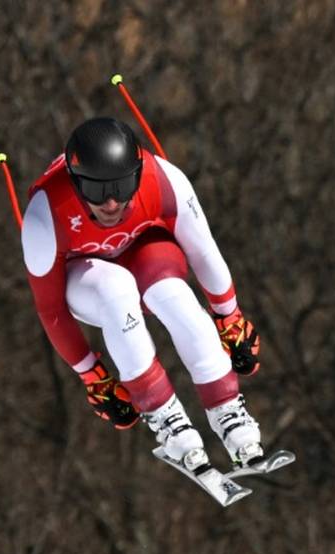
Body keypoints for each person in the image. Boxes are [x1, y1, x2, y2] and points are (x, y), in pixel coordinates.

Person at [20, 117, 264, 471]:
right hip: (87, 278)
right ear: (74, 183)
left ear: (137, 173)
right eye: (96, 189)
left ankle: (228, 410)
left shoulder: (163, 179)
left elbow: (203, 251)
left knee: (177, 299)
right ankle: (168, 418)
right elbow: (51, 309)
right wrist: (93, 375)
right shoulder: (45, 215)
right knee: (115, 289)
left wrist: (228, 316)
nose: (111, 203)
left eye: (121, 185)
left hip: (145, 253)